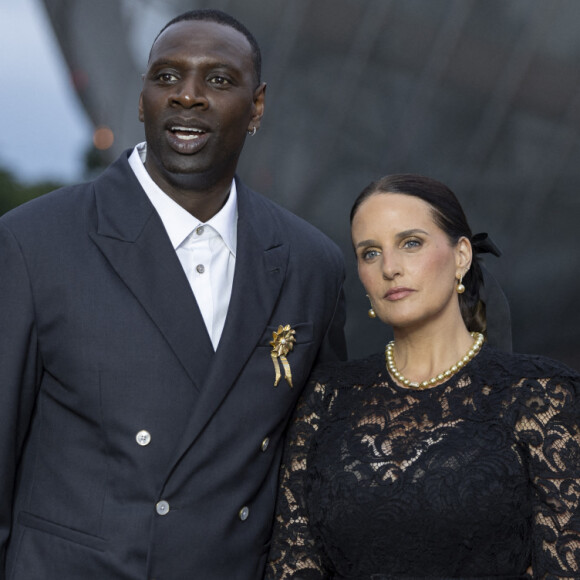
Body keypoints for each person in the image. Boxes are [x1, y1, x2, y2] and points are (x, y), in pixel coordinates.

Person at [0, 9, 347, 580]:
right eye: (166, 77)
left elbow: (316, 474)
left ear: (257, 106)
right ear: (141, 101)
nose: (187, 96)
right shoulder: (33, 243)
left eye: (218, 79)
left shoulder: (311, 264)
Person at [266, 174, 580, 579]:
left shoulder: (542, 396)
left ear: (461, 255)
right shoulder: (326, 400)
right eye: (370, 252)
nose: (390, 268)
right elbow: (293, 565)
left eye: (410, 243)